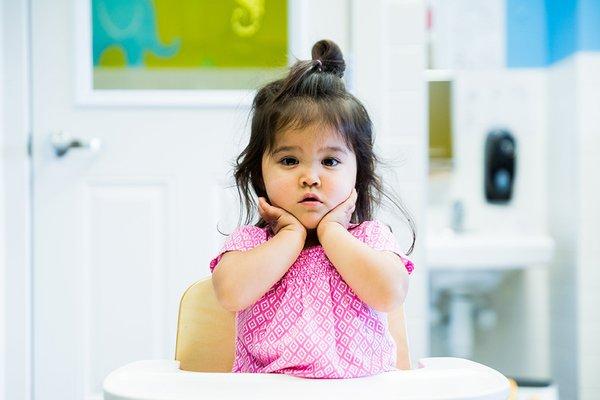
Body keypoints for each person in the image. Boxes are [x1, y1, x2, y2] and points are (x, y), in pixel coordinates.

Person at [209, 39, 416, 379]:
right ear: (259, 172)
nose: (311, 178)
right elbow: (230, 293)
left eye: (330, 161)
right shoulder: (250, 243)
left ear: (358, 173)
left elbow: (390, 293)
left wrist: (332, 231)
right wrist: (290, 235)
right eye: (289, 160)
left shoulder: (370, 238)